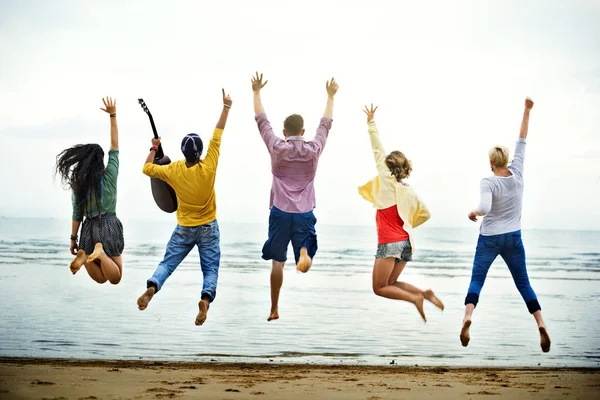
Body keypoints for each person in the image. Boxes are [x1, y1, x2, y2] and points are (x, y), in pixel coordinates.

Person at [461, 97, 550, 352]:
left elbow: (485, 209)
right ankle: (540, 323)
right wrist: (527, 110)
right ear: (507, 159)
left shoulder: (488, 182)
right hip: (513, 238)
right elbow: (522, 138)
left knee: (477, 279)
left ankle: (468, 317)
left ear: (491, 163)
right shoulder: (518, 172)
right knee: (523, 282)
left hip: (489, 238)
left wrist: (473, 212)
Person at [136, 89, 233, 326]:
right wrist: (226, 107)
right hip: (208, 227)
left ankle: (152, 287)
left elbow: (147, 169)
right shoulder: (209, 165)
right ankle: (205, 301)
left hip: (184, 228)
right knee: (210, 269)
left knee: (167, 263)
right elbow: (217, 135)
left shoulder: (174, 170)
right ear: (200, 153)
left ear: (183, 152)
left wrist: (153, 148)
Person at [251, 72, 338, 321]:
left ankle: (274, 308)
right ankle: (304, 253)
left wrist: (256, 92)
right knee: (305, 250)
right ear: (302, 130)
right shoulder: (312, 150)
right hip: (304, 213)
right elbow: (325, 125)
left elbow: (261, 121)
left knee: (277, 262)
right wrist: (330, 97)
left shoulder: (277, 147)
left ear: (284, 132)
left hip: (280, 212)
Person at [358, 104, 443, 322]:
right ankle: (424, 294)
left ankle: (415, 299)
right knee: (391, 284)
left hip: (390, 243)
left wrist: (371, 122)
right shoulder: (409, 191)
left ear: (388, 167)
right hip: (406, 244)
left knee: (379, 288)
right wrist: (407, 224)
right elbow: (425, 214)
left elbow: (377, 149)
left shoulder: (386, 181)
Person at [55, 97, 124, 285]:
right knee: (115, 277)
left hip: (87, 228)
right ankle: (99, 253)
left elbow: (77, 213)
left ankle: (85, 256)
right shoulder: (109, 175)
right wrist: (113, 115)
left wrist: (73, 239)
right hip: (108, 223)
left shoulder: (79, 184)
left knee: (101, 279)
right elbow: (115, 145)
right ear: (100, 161)